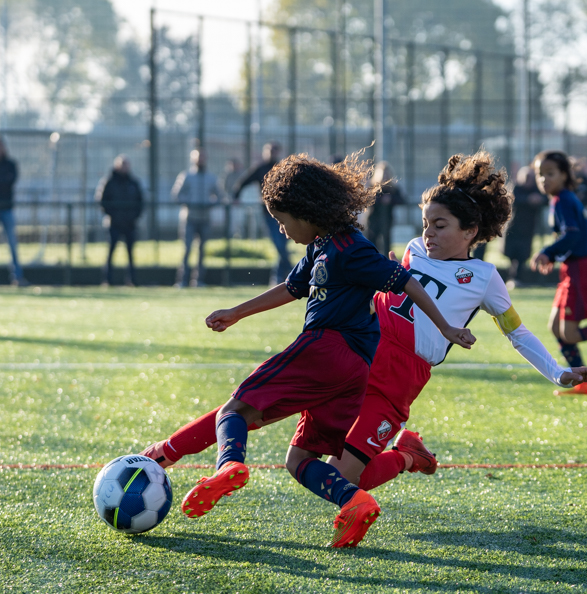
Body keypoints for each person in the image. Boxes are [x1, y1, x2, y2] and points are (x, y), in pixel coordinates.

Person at [141, 150, 587, 517]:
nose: (430, 234)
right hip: (359, 349)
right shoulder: (414, 250)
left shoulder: (484, 279)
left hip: (400, 376)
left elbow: (517, 334)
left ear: (472, 230)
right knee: (252, 410)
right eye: (427, 224)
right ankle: (166, 452)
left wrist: (558, 373)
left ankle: (405, 456)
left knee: (345, 475)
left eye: (440, 226)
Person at [174, 151, 475, 548]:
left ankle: (230, 466)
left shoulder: (352, 248)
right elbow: (291, 287)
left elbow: (405, 281)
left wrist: (446, 326)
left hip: (324, 348)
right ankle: (354, 501)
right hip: (352, 372)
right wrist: (237, 312)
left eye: (283, 221)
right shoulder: (322, 248)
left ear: (306, 211)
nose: (282, 230)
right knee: (298, 461)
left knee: (234, 411)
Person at [529, 150, 587, 396]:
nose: (544, 179)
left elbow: (573, 234)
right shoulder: (560, 199)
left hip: (581, 268)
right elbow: (571, 236)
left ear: (565, 175)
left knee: (569, 332)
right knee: (556, 327)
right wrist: (555, 255)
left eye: (550, 173)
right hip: (573, 268)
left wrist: (547, 252)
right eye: (540, 174)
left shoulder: (564, 199)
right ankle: (582, 383)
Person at [234, 142, 292, 284]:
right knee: (278, 244)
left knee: (282, 245)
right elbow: (243, 182)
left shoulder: (282, 168)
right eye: (269, 150)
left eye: (274, 150)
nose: (271, 153)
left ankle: (279, 277)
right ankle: (289, 271)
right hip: (269, 214)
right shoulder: (260, 169)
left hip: (285, 213)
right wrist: (236, 196)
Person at [171, 148, 223, 288]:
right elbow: (177, 194)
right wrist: (189, 202)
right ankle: (182, 281)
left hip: (205, 219)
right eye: (198, 158)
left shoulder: (211, 178)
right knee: (187, 249)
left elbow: (220, 196)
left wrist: (210, 204)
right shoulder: (186, 176)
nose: (200, 161)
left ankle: (198, 281)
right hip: (190, 218)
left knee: (202, 251)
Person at [95, 155, 143, 286]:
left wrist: (133, 217)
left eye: (126, 164)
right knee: (110, 253)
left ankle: (132, 280)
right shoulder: (109, 182)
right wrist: (113, 215)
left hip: (130, 224)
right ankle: (107, 280)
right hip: (114, 223)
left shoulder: (133, 182)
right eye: (122, 164)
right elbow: (102, 201)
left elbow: (140, 202)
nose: (124, 167)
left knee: (131, 254)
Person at [504, 165, 547, 288]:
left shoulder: (536, 189)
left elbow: (546, 199)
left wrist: (538, 199)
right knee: (511, 254)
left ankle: (518, 279)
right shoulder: (516, 188)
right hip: (514, 227)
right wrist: (529, 199)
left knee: (523, 255)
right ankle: (512, 277)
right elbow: (513, 199)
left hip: (528, 228)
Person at [365, 162, 405, 256]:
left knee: (387, 242)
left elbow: (402, 200)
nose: (385, 177)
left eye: (387, 174)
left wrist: (391, 200)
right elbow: (367, 201)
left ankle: (387, 259)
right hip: (373, 219)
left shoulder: (393, 188)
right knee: (372, 242)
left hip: (387, 220)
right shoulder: (372, 187)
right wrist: (380, 200)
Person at [0, 139, 25, 286]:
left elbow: (10, 181)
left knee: (12, 244)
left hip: (7, 209)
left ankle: (17, 277)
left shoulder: (10, 164)